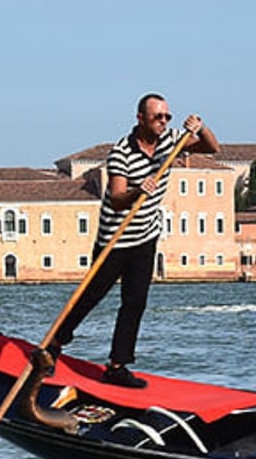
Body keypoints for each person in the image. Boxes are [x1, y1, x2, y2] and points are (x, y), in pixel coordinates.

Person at [49, 92, 219, 388]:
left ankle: (118, 365)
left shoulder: (171, 140)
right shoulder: (121, 153)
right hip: (115, 238)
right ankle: (53, 346)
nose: (164, 121)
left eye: (167, 116)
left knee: (135, 302)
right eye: (158, 117)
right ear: (141, 119)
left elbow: (212, 147)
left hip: (146, 236)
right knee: (91, 295)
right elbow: (116, 199)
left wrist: (200, 128)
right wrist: (138, 191)